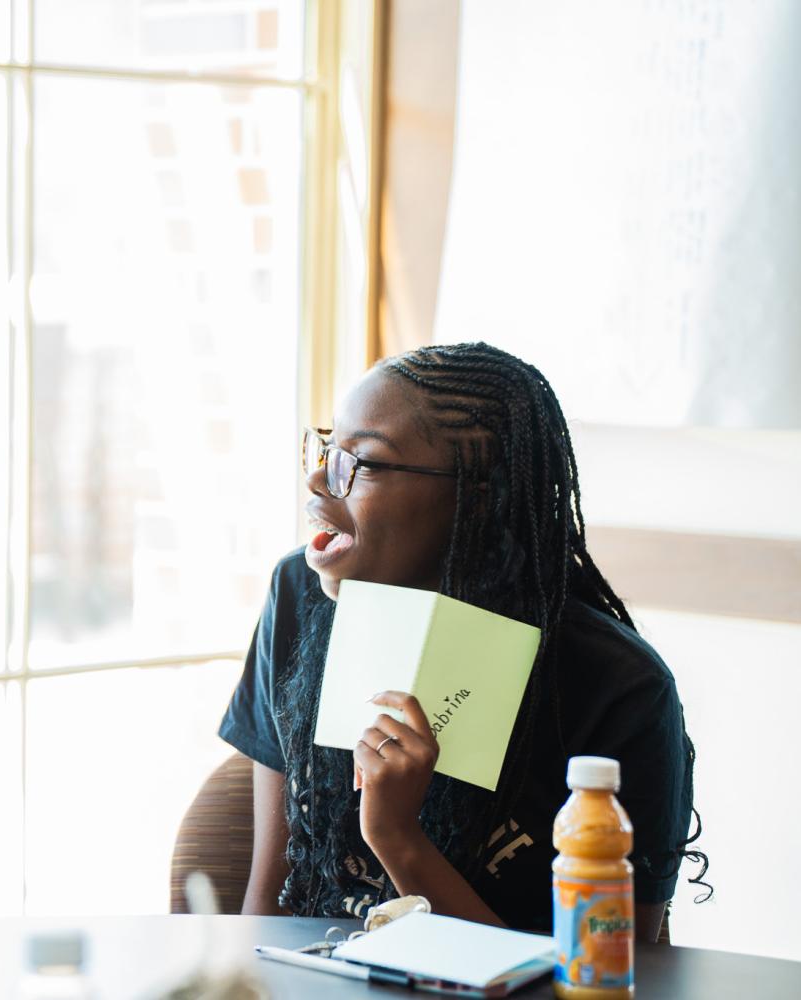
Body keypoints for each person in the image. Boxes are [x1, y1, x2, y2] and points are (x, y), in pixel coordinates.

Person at [219, 342, 706, 937]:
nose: (321, 478)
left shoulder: (617, 687)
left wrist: (397, 837)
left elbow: (609, 971)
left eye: (362, 462)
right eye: (326, 448)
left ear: (477, 495)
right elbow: (265, 906)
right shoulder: (299, 592)